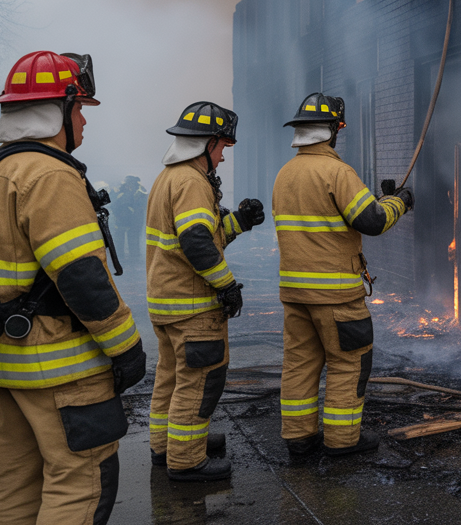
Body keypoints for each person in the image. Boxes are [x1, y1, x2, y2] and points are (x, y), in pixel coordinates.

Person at [0, 50, 146, 524]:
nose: (85, 124)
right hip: (60, 368)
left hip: (4, 362)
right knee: (80, 481)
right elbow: (80, 276)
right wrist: (126, 347)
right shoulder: (49, 173)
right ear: (58, 108)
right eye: (80, 111)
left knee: (17, 484)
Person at [273, 92, 413, 456]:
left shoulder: (285, 174)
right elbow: (373, 221)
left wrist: (381, 202)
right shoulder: (337, 171)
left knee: (300, 365)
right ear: (334, 130)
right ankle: (342, 440)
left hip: (295, 293)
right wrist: (401, 201)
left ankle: (299, 438)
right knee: (349, 364)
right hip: (336, 296)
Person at [145, 101, 264, 481]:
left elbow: (200, 236)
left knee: (171, 378)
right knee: (200, 383)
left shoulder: (169, 177)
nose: (224, 158)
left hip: (166, 302)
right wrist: (227, 285)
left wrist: (240, 221)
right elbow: (197, 242)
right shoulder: (192, 182)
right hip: (193, 307)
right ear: (208, 143)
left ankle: (165, 446)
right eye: (223, 148)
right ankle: (187, 459)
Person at [111, 176, 147, 259]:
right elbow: (114, 205)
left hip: (134, 221)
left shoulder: (140, 192)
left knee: (133, 239)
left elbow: (142, 206)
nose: (129, 185)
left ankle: (134, 257)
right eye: (128, 183)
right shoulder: (121, 191)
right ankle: (120, 257)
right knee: (120, 240)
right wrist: (118, 215)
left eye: (131, 183)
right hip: (121, 220)